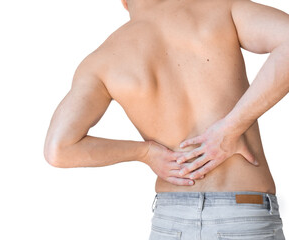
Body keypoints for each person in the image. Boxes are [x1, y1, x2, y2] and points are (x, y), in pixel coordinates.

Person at [44, 0, 288, 239]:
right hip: (243, 217)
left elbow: (59, 149)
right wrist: (231, 127)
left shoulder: (101, 61)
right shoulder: (220, 8)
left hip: (171, 223)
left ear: (123, 2)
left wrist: (146, 153)